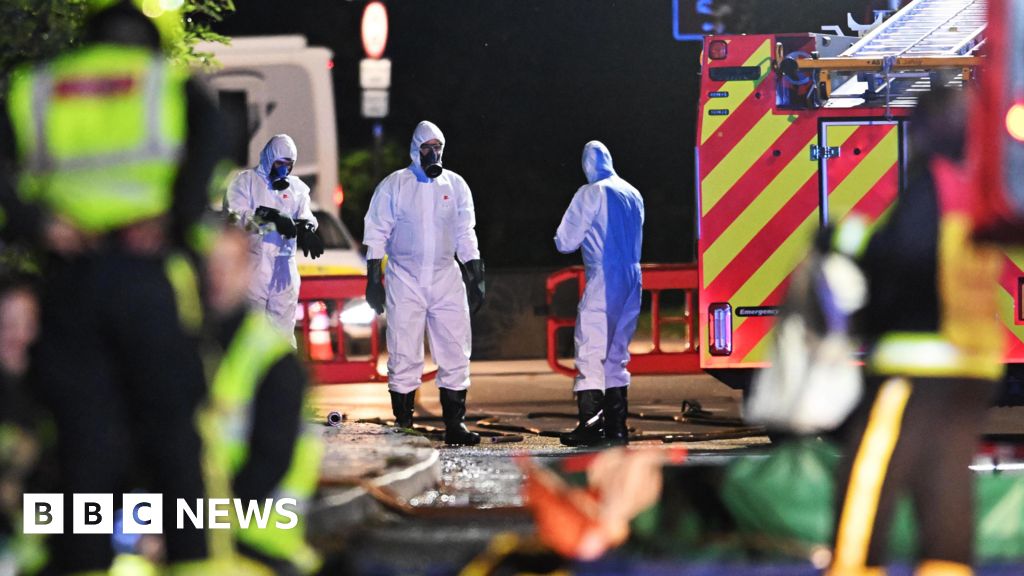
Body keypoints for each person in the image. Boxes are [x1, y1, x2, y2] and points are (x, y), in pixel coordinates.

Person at [0, 2, 223, 571]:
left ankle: (86, 562)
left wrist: (37, 223)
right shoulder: (168, 84)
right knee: (174, 439)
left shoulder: (40, 86)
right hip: (144, 276)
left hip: (70, 277)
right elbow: (210, 140)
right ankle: (192, 561)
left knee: (82, 445)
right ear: (146, 43)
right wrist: (175, 220)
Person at [827, 87, 1003, 576]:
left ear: (925, 129)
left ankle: (853, 565)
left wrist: (841, 241)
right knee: (945, 477)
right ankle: (946, 567)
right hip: (972, 362)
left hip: (918, 361)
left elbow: (901, 255)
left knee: (871, 469)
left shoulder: (933, 184)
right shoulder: (983, 188)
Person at [201, 225, 324, 575]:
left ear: (247, 271)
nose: (217, 277)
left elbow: (270, 460)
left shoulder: (271, 358)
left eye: (228, 266)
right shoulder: (186, 343)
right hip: (200, 532)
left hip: (259, 542)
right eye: (210, 265)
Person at [363, 120, 485, 446]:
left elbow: (464, 232)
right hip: (405, 278)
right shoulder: (395, 185)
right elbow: (376, 233)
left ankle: (455, 425)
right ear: (415, 149)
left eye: (438, 148)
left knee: (456, 351)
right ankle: (404, 424)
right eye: (427, 148)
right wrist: (373, 278)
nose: (433, 153)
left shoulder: (456, 185)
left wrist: (475, 272)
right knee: (404, 353)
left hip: (446, 277)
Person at [554, 141, 644, 447]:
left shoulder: (591, 193)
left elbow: (565, 241)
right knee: (617, 356)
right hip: (633, 278)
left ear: (587, 164)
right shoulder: (633, 193)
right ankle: (617, 426)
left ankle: (590, 426)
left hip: (604, 276)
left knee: (591, 350)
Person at [225, 134, 324, 346]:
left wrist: (307, 230)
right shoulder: (245, 182)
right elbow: (234, 219)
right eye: (279, 163)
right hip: (252, 270)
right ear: (269, 158)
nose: (284, 170)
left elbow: (306, 216)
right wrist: (269, 217)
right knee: (248, 338)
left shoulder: (296, 188)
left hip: (283, 271)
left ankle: (282, 378)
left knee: (283, 338)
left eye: (289, 165)